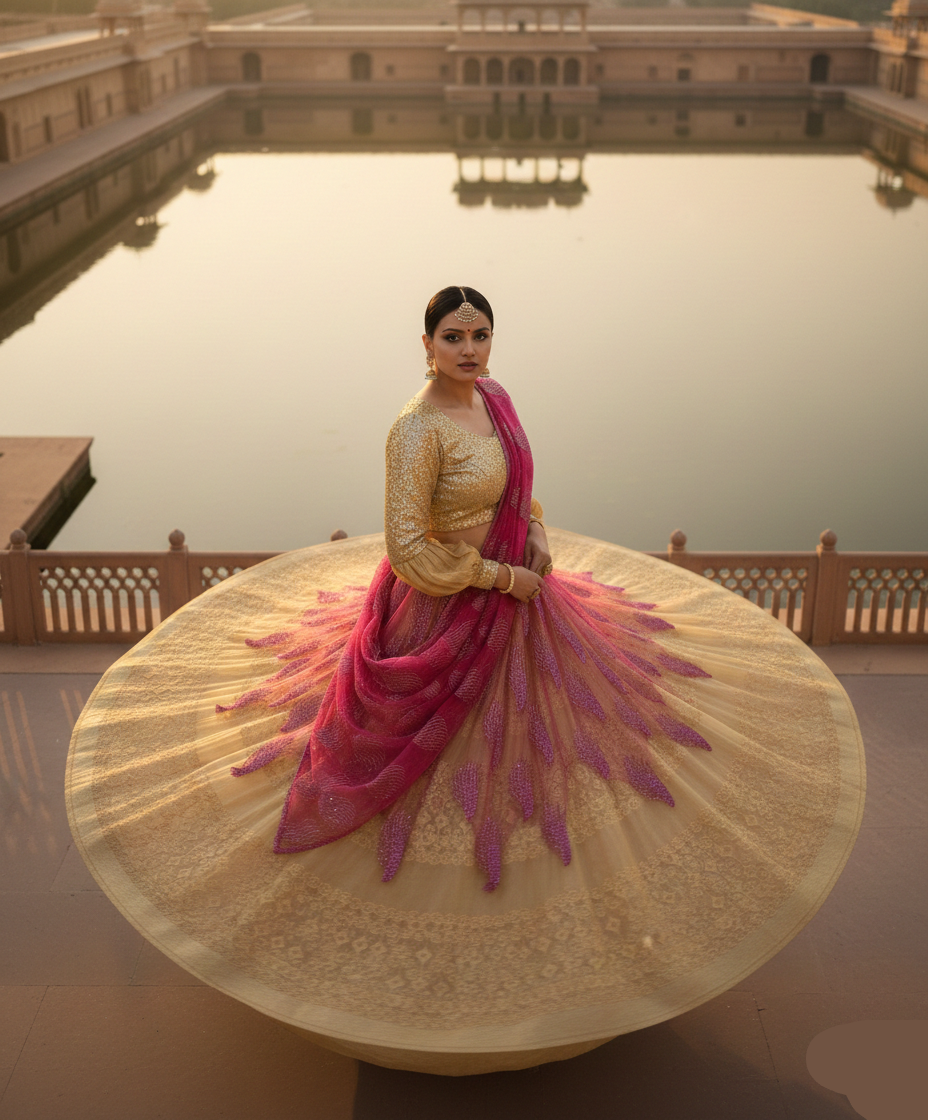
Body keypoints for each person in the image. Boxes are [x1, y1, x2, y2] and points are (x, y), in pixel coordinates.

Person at [66, 286, 865, 1076]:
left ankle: (585, 959)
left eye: (481, 333)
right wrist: (501, 578)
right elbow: (409, 548)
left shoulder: (495, 398)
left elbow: (523, 484)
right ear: (425, 345)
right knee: (448, 775)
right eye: (453, 336)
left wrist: (541, 532)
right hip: (444, 605)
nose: (470, 349)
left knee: (577, 749)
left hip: (525, 595)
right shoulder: (414, 432)